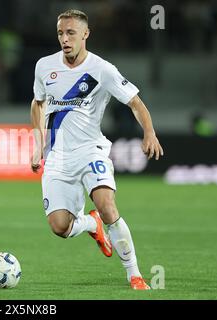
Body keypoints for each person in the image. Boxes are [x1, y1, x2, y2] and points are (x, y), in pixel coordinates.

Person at [30, 9, 164, 290]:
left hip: (91, 151)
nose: (64, 39)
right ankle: (91, 225)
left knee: (107, 206)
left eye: (70, 33)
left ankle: (135, 274)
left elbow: (136, 103)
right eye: (60, 33)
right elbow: (38, 103)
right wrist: (37, 143)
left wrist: (149, 132)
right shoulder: (44, 66)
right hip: (58, 158)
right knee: (60, 227)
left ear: (85, 34)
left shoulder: (102, 69)